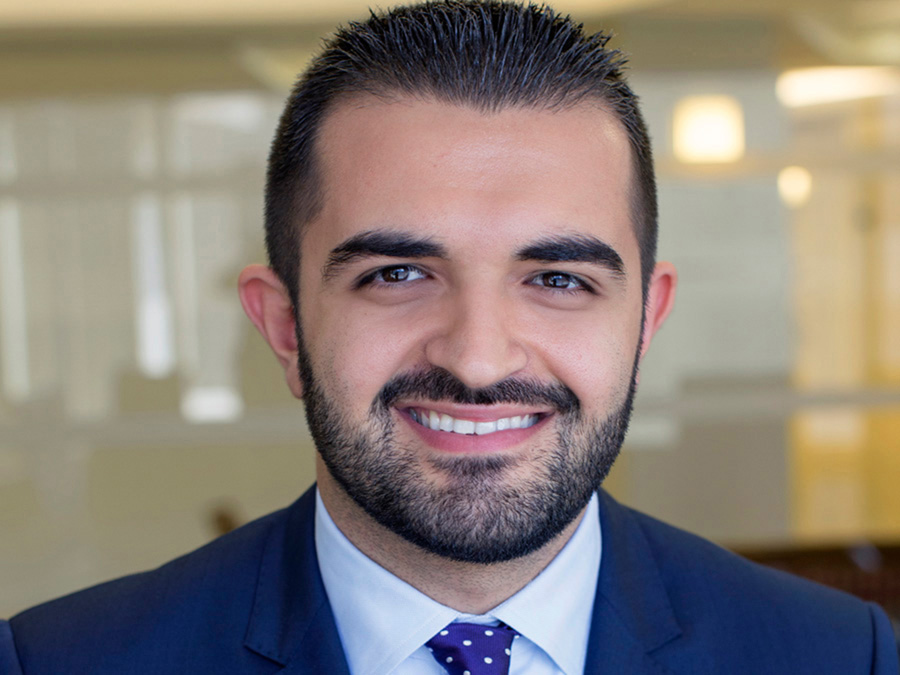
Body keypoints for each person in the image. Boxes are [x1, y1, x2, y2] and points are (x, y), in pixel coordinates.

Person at [2, 2, 897, 673]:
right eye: (397, 274)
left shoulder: (837, 655)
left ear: (645, 322)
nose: (477, 358)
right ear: (283, 325)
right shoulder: (60, 661)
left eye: (558, 279)